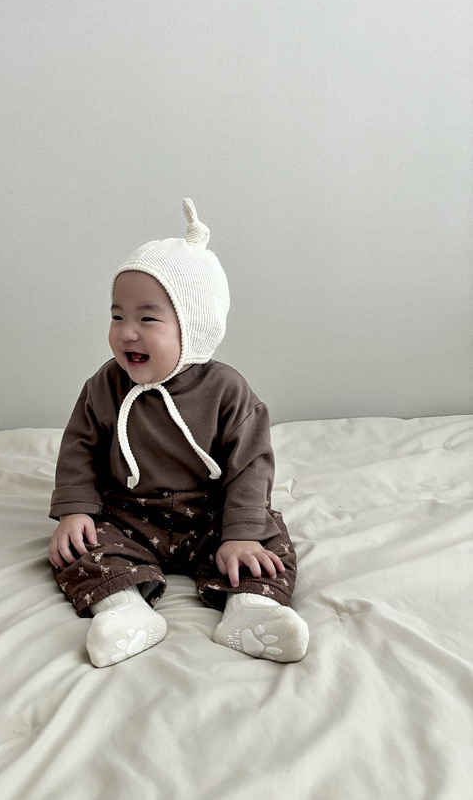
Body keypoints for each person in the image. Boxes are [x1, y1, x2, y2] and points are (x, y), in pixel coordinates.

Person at [48, 198, 309, 668]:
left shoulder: (227, 390)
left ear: (194, 325)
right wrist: (75, 510)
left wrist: (241, 534)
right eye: (117, 316)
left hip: (210, 514)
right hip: (127, 513)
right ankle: (123, 609)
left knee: (267, 541)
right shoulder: (105, 385)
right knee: (78, 547)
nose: (127, 332)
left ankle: (253, 609)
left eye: (147, 318)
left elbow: (251, 465)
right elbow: (79, 448)